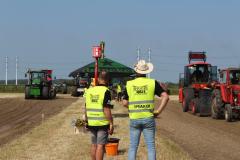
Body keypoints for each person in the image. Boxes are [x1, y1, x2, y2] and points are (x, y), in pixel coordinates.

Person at [122, 60, 169, 160]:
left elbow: (124, 103)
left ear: (136, 71)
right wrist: (158, 111)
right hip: (148, 118)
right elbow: (165, 97)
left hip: (134, 119)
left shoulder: (129, 84)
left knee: (133, 147)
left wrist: (133, 108)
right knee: (151, 147)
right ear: (146, 72)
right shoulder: (152, 82)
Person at [85, 71, 114, 160]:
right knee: (100, 146)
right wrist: (111, 123)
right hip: (102, 123)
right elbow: (106, 109)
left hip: (91, 122)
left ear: (98, 79)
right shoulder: (106, 91)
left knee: (94, 145)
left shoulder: (89, 91)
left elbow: (85, 107)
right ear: (108, 80)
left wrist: (86, 120)